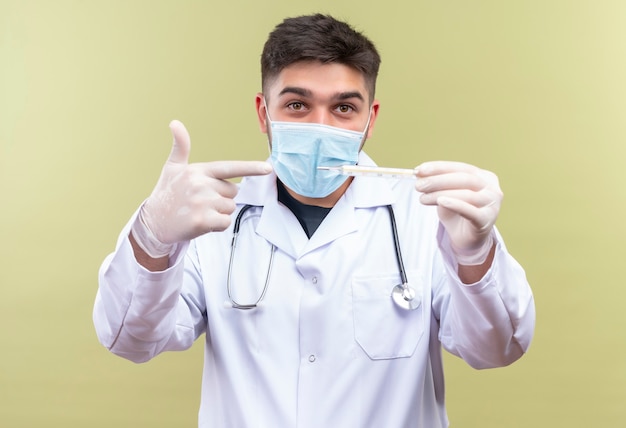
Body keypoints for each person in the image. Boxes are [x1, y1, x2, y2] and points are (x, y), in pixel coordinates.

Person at [93, 13, 535, 427]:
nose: (321, 126)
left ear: (370, 119)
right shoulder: (211, 222)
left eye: (343, 108)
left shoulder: (426, 220)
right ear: (264, 114)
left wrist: (475, 254)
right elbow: (131, 341)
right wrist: (152, 239)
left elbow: (496, 350)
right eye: (298, 106)